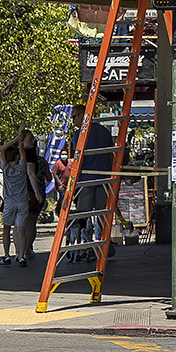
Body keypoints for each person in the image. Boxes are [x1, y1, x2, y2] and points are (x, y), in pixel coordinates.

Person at [68, 103, 115, 261]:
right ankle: (104, 246)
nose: (72, 120)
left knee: (84, 216)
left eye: (74, 116)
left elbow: (78, 159)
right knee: (101, 215)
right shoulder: (104, 131)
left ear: (82, 116)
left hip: (86, 180)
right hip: (103, 178)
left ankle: (85, 247)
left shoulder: (79, 134)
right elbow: (111, 156)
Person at [0, 128, 43, 265]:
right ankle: (22, 256)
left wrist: (16, 138)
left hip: (9, 203)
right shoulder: (22, 167)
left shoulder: (5, 168)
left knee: (6, 229)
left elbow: (2, 150)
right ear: (17, 157)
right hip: (23, 202)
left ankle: (6, 255)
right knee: (21, 229)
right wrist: (21, 141)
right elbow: (22, 151)